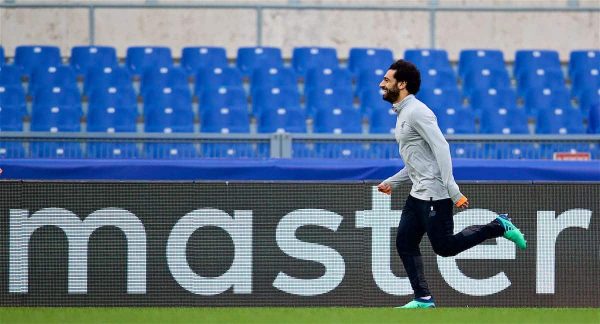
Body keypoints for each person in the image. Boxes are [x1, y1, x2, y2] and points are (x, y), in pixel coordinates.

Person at [376, 60, 527, 309]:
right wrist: (392, 181)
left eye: (387, 79)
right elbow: (419, 161)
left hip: (435, 195)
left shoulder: (417, 111)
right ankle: (423, 299)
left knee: (445, 248)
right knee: (404, 242)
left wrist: (452, 189)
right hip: (418, 195)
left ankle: (498, 226)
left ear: (402, 84)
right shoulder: (403, 112)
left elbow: (441, 148)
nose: (382, 83)